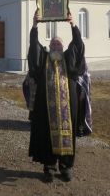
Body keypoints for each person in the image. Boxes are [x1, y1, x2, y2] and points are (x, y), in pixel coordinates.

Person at [28, 10, 85, 182]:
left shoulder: (69, 58)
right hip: (46, 107)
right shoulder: (43, 59)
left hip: (68, 107)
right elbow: (34, 47)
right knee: (47, 134)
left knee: (68, 134)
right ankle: (50, 166)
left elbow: (78, 45)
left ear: (63, 47)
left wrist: (73, 24)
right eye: (53, 44)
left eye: (58, 45)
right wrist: (35, 25)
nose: (55, 47)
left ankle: (66, 166)